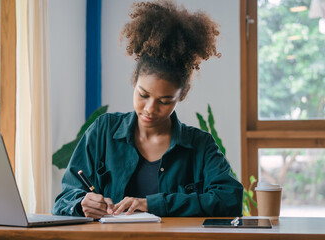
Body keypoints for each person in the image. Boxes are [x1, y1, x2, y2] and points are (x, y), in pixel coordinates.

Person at [52, 0, 243, 219]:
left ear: (183, 94)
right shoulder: (103, 131)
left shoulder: (199, 145)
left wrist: (153, 204)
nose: (150, 109)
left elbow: (230, 199)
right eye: (143, 95)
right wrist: (81, 203)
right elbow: (64, 199)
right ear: (134, 81)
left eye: (164, 101)